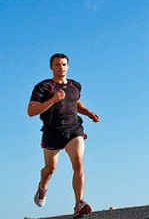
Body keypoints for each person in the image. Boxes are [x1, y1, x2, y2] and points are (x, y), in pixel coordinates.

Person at [28, 53, 100, 218]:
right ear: (51, 67)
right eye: (57, 65)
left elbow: (75, 102)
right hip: (52, 132)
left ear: (68, 66)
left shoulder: (75, 86)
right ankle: (43, 186)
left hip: (73, 130)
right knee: (50, 169)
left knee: (78, 163)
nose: (61, 67)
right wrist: (53, 100)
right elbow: (31, 111)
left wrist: (89, 113)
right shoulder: (44, 87)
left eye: (64, 64)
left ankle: (78, 203)